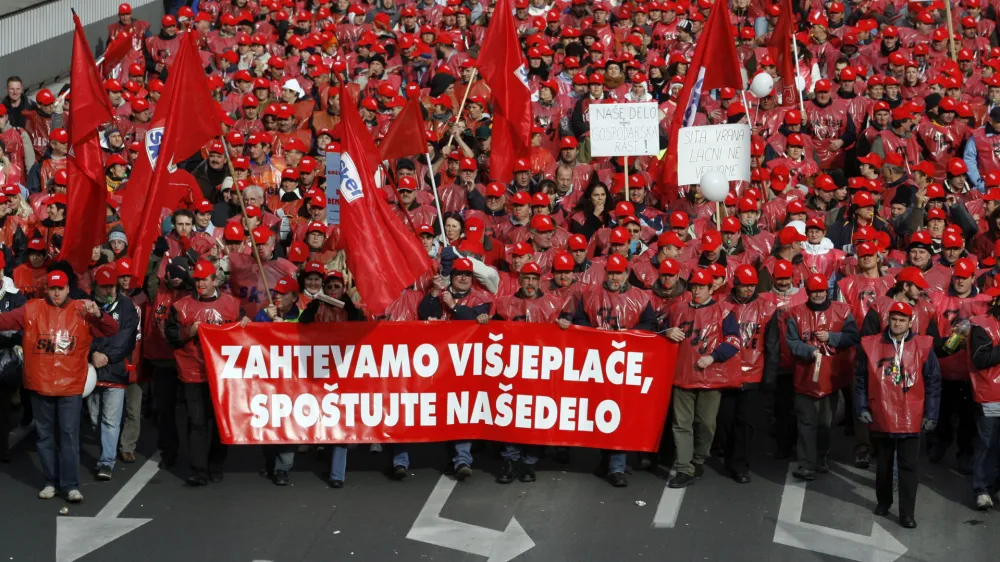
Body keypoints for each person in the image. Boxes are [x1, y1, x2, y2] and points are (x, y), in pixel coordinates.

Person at [0, 269, 118, 501]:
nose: (56, 293)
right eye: (52, 289)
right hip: (41, 384)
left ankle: (70, 484)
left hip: (70, 386)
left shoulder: (82, 309)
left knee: (69, 435)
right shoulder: (31, 309)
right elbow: (4, 320)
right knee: (45, 436)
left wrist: (99, 315)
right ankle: (50, 482)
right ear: (47, 289)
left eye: (60, 289)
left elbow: (111, 329)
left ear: (67, 289)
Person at [855, 301, 941, 529]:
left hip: (912, 415)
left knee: (909, 467)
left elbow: (933, 382)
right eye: (894, 319)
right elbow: (861, 378)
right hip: (882, 412)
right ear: (888, 320)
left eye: (902, 320)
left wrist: (931, 414)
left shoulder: (923, 346)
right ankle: (884, 501)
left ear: (910, 322)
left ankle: (907, 514)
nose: (897, 323)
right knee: (883, 465)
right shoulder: (871, 344)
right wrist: (862, 407)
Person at [164, 260, 249, 486]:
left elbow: (245, 337)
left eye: (205, 279)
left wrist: (246, 324)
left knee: (221, 421)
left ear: (215, 281)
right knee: (197, 421)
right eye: (197, 280)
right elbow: (171, 337)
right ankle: (198, 470)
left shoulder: (232, 304)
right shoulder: (181, 306)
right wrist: (187, 331)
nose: (200, 284)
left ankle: (216, 464)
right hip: (193, 372)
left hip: (223, 374)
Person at [662, 267, 740, 488]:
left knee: (706, 424)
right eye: (694, 287)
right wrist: (667, 331)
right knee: (681, 424)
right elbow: (658, 328)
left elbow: (734, 341)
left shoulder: (723, 311)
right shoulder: (678, 309)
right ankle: (684, 467)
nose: (696, 291)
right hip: (682, 375)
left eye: (701, 287)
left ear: (710, 289)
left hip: (710, 378)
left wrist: (713, 357)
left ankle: (698, 459)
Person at [491, 261, 563, 483]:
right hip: (512, 370)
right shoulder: (504, 304)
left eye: (534, 279)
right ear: (519, 280)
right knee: (511, 414)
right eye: (526, 278)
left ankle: (530, 463)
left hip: (540, 371)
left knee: (534, 416)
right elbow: (492, 334)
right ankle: (510, 460)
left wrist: (565, 326)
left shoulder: (553, 304)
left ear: (540, 281)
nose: (530, 283)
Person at [786, 273, 859, 480]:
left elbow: (853, 336)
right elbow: (792, 342)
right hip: (805, 378)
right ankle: (806, 464)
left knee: (825, 424)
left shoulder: (843, 311)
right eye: (814, 291)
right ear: (807, 292)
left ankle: (821, 457)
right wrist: (809, 351)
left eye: (822, 291)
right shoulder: (795, 314)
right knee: (806, 423)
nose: (818, 295)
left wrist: (831, 337)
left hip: (831, 379)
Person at [717, 265, 777, 483]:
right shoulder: (721, 305)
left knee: (746, 422)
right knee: (725, 419)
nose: (748, 290)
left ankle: (740, 464)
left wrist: (769, 378)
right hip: (725, 372)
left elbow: (772, 346)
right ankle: (728, 453)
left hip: (753, 372)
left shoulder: (767, 308)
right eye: (744, 286)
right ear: (735, 284)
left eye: (752, 286)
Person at [87, 264, 139, 481]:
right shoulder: (85, 305)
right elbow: (81, 334)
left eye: (112, 286)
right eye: (104, 286)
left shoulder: (127, 306)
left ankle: (106, 462)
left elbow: (127, 338)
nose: (109, 290)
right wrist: (92, 354)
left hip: (115, 370)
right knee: (94, 418)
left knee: (110, 419)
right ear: (95, 287)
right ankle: (106, 451)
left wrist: (106, 356)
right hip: (91, 371)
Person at [253, 275, 302, 486]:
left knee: (289, 424)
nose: (278, 297)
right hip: (268, 381)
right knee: (270, 422)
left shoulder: (302, 317)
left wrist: (284, 329)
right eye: (276, 293)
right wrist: (266, 321)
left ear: (295, 297)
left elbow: (308, 341)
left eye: (283, 294)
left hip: (293, 383)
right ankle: (270, 461)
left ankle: (283, 468)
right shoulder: (264, 314)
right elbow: (250, 338)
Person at [969, 288, 1000, 511]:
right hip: (990, 394)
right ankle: (982, 489)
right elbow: (980, 359)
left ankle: (996, 486)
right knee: (988, 443)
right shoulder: (982, 325)